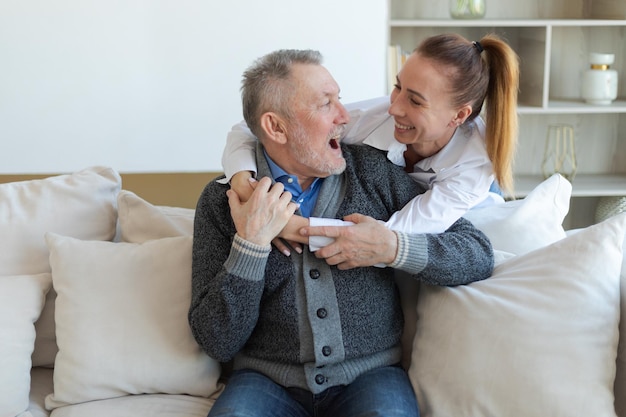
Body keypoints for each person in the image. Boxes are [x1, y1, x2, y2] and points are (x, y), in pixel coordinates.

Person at [189, 48, 494, 417]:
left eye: (340, 99)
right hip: (264, 383)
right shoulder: (222, 204)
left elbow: (476, 253)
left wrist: (393, 248)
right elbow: (216, 342)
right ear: (276, 127)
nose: (344, 117)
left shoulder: (373, 173)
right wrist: (251, 245)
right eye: (325, 104)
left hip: (372, 377)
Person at [220, 33, 519, 257]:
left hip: (467, 218)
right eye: (398, 87)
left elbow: (384, 237)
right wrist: (243, 182)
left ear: (459, 115)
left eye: (415, 100)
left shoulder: (474, 165)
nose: (395, 109)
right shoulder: (376, 119)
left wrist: (286, 227)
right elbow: (252, 127)